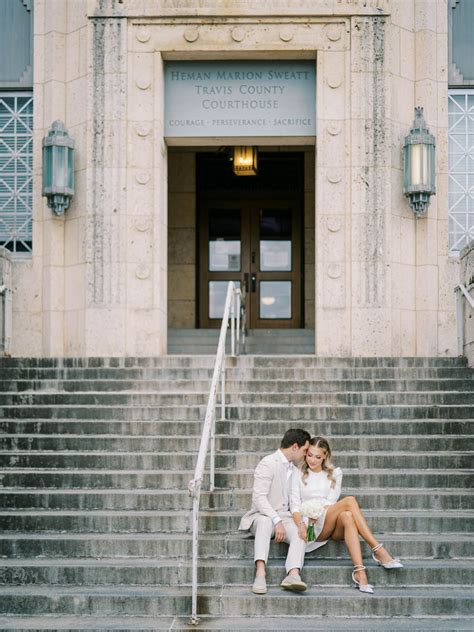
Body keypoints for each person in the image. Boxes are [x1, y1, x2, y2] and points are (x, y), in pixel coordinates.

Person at [290, 436, 403, 594]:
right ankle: (378, 550)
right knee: (349, 501)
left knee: (348, 516)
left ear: (325, 456)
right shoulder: (298, 474)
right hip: (310, 527)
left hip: (330, 523)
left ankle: (359, 572)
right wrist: (301, 524)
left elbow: (331, 502)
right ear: (305, 453)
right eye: (309, 455)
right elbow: (294, 506)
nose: (312, 460)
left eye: (318, 456)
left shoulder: (335, 474)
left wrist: (320, 510)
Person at [239, 428, 311, 594]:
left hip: (285, 517)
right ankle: (260, 573)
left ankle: (293, 574)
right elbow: (259, 498)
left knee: (301, 532)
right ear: (294, 446)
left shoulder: (295, 470)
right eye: (304, 450)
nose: (305, 455)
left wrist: (300, 523)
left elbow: (294, 501)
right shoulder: (267, 463)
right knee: (265, 522)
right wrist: (276, 520)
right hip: (261, 516)